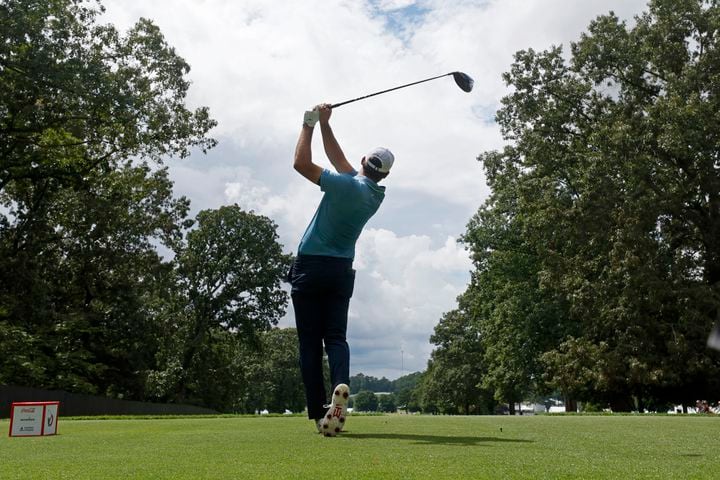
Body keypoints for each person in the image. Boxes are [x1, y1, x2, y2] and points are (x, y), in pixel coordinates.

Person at [288, 103, 393, 436]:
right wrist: (325, 125)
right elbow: (339, 162)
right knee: (335, 338)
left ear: (364, 161)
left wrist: (307, 125)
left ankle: (320, 410)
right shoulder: (374, 194)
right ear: (384, 173)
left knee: (309, 342)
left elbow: (300, 163)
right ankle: (340, 384)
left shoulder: (345, 184)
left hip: (310, 267)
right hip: (340, 272)